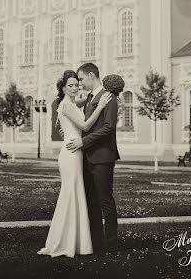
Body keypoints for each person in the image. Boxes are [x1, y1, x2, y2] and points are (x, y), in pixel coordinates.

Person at [37, 70, 112, 258]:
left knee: (76, 194)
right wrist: (101, 106)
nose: (75, 87)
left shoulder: (71, 104)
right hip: (71, 153)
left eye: (76, 84)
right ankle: (64, 241)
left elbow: (83, 110)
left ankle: (77, 241)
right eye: (70, 85)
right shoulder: (66, 105)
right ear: (63, 88)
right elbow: (85, 126)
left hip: (76, 151)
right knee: (70, 194)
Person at [66, 64, 124, 254]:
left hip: (102, 157)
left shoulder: (109, 98)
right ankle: (96, 243)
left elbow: (108, 128)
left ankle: (111, 244)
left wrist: (84, 142)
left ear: (92, 75)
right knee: (91, 201)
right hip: (88, 158)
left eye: (81, 79)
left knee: (105, 200)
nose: (80, 83)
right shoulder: (90, 97)